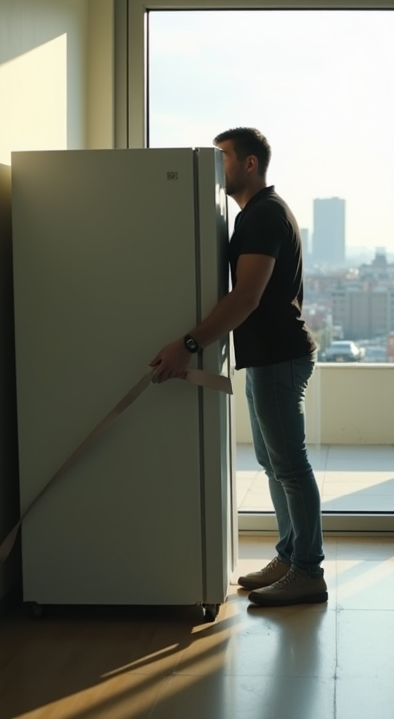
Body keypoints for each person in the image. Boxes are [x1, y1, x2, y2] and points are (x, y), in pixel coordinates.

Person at [150, 127, 326, 608]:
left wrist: (189, 344)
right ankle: (290, 557)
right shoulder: (255, 214)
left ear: (250, 163)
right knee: (275, 464)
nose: (216, 164)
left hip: (278, 356)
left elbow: (246, 296)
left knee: (290, 466)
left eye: (222, 156)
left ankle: (308, 571)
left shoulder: (264, 214)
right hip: (267, 356)